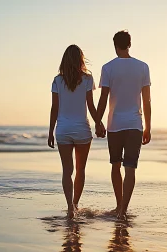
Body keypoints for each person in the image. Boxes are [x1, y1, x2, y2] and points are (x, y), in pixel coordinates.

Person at [96, 30, 152, 220]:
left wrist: (97, 121)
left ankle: (119, 205)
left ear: (115, 45)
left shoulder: (108, 68)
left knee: (115, 166)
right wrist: (148, 127)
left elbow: (103, 98)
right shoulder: (143, 67)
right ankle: (123, 210)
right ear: (130, 44)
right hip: (135, 124)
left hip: (115, 124)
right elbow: (147, 101)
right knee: (130, 168)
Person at [48, 45, 105, 219]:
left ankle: (70, 208)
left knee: (67, 170)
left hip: (63, 130)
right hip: (81, 129)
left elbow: (55, 108)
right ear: (81, 59)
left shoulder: (57, 80)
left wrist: (50, 132)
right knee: (80, 169)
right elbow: (90, 105)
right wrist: (99, 123)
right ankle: (75, 204)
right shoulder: (87, 79)